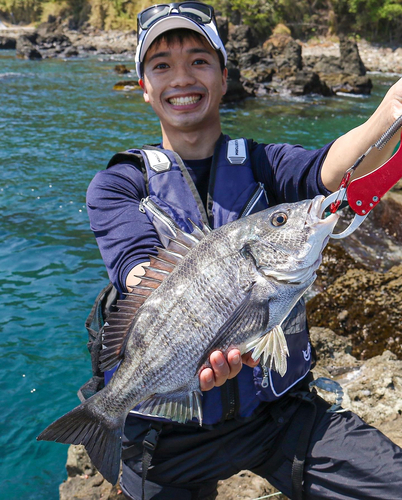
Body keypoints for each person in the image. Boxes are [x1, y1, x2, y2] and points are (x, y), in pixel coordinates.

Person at [86, 2, 402, 499]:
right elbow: (137, 270)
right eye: (161, 66)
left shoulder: (265, 164)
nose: (181, 78)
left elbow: (333, 171)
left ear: (224, 75)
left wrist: (392, 109)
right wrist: (193, 332)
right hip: (169, 435)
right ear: (143, 86)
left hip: (277, 410)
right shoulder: (117, 185)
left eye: (199, 60)